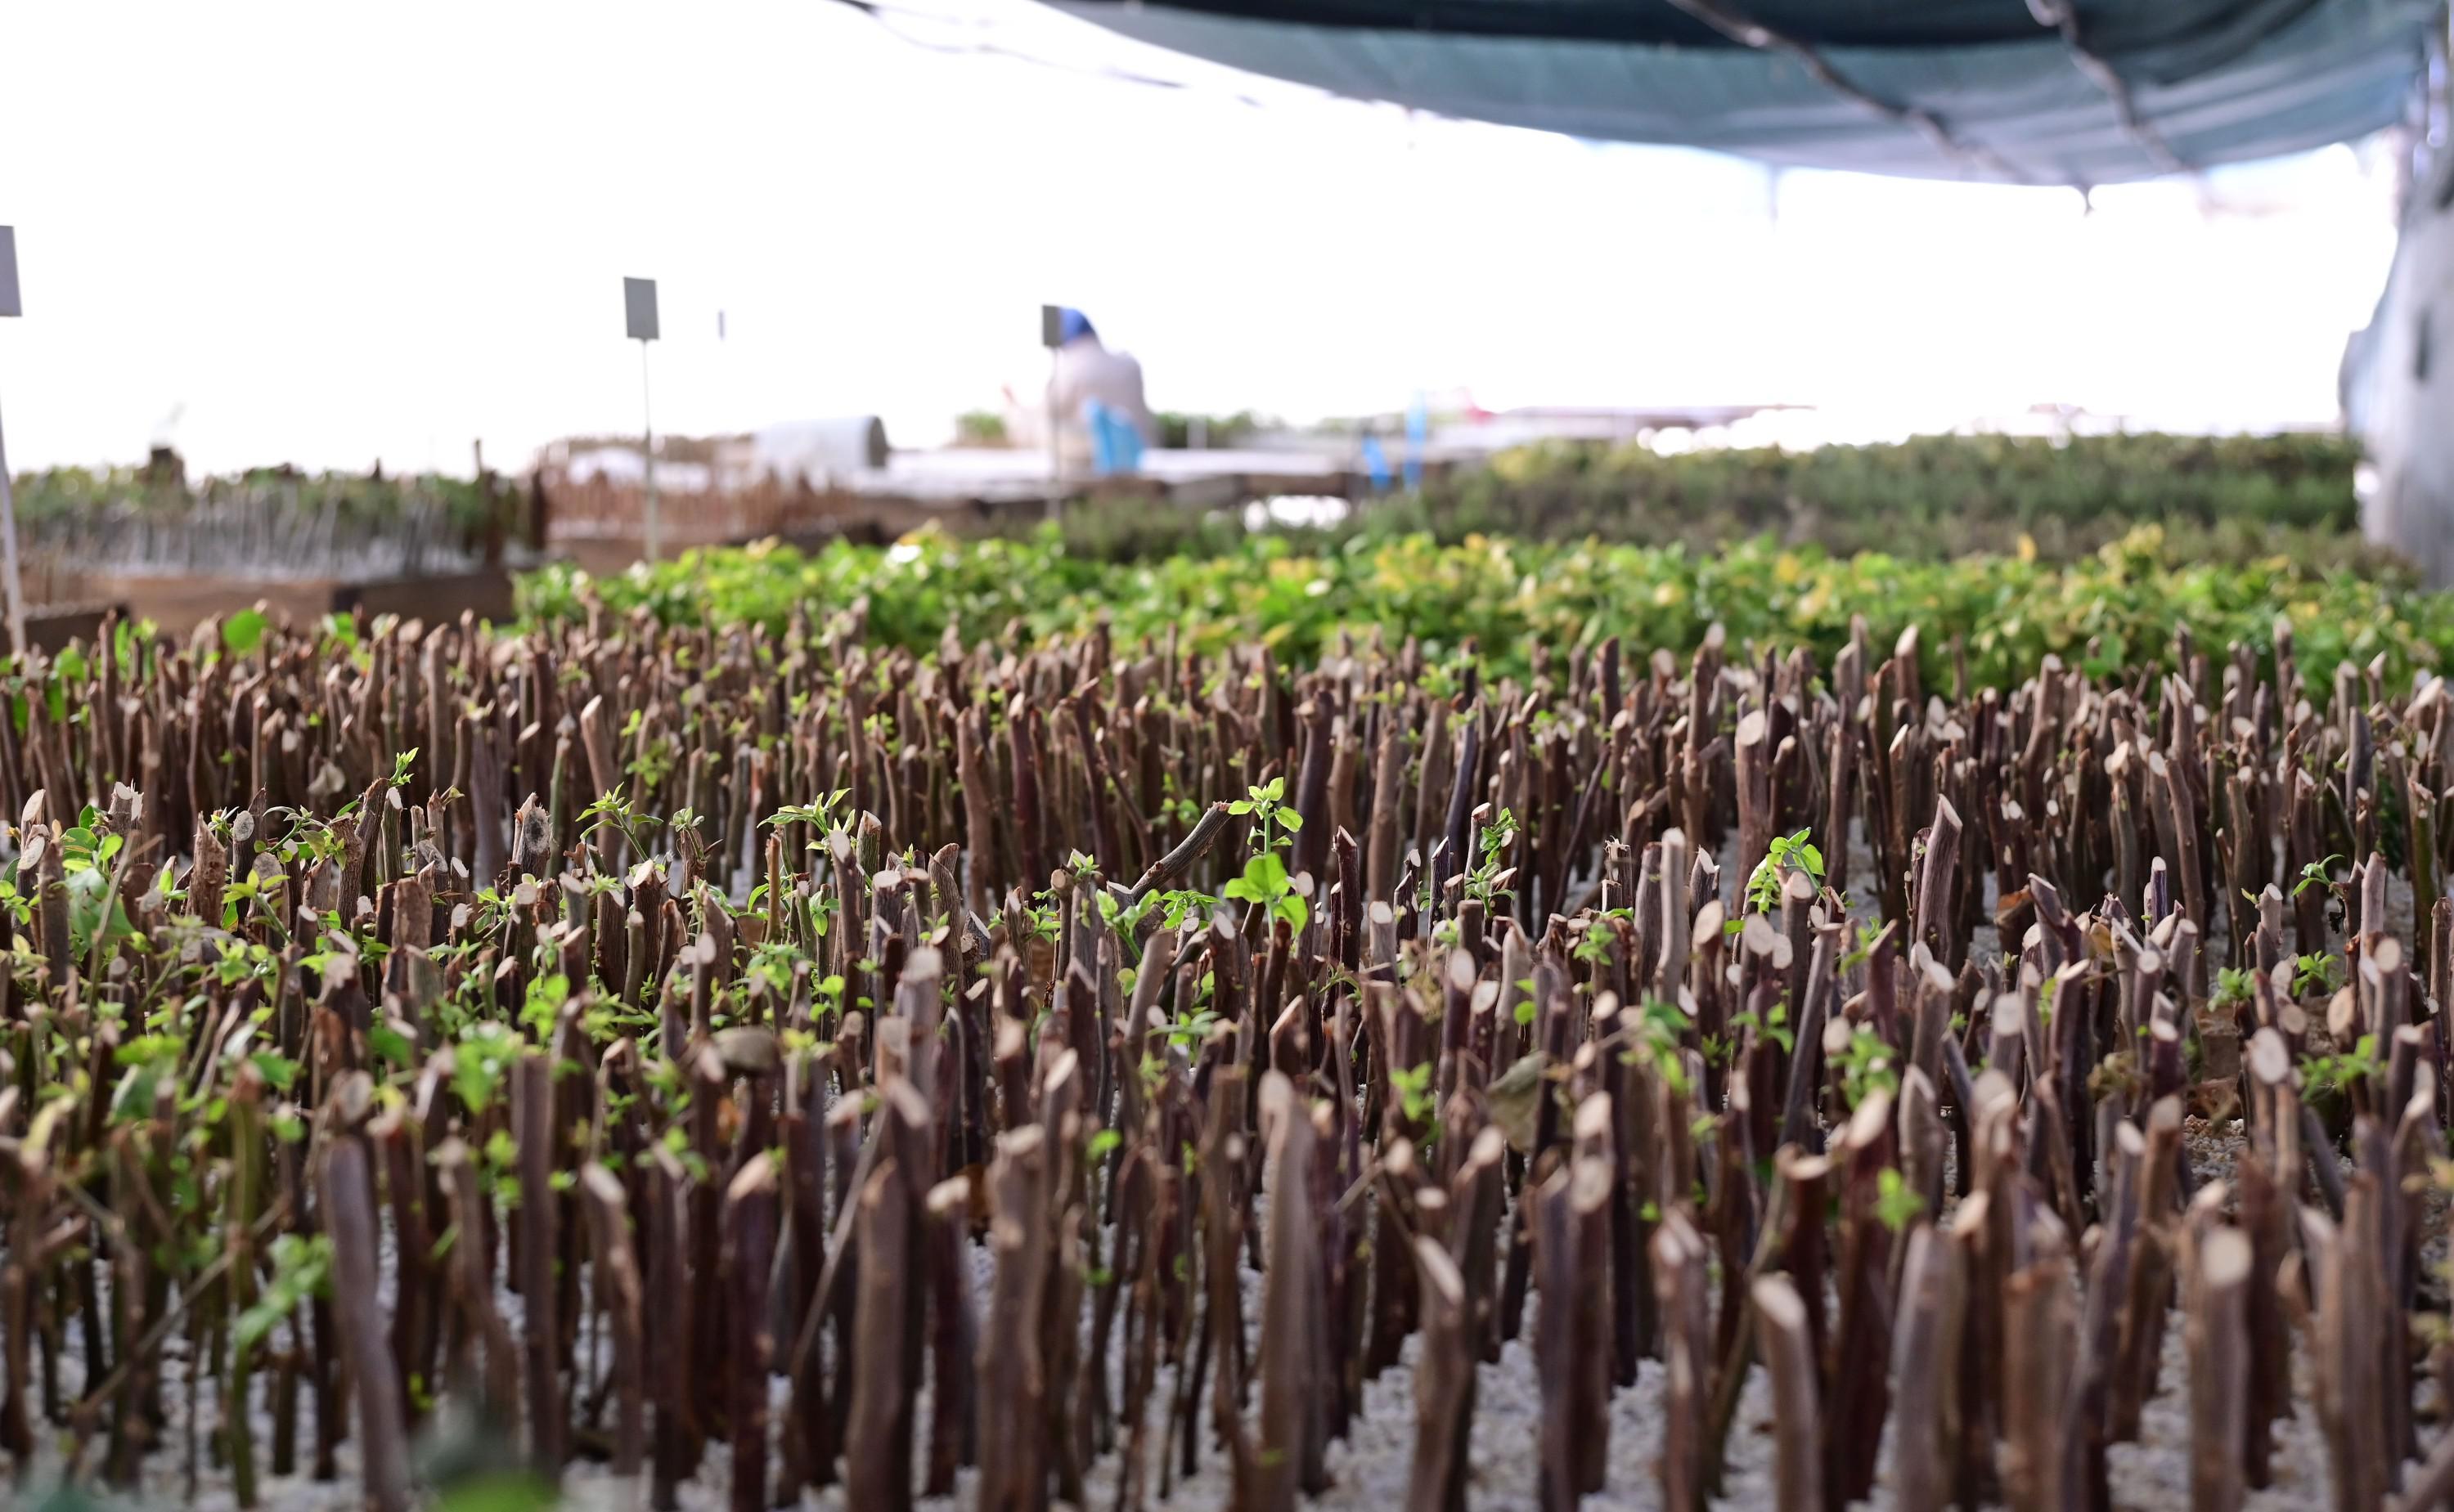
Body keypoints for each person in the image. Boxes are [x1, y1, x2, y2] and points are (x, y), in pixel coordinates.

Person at [1006, 308, 1153, 473]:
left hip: (1090, 462)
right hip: (1138, 455)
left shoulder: (1071, 369)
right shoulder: (1130, 365)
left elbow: (1044, 415)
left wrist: (1012, 406)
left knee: (1044, 427)